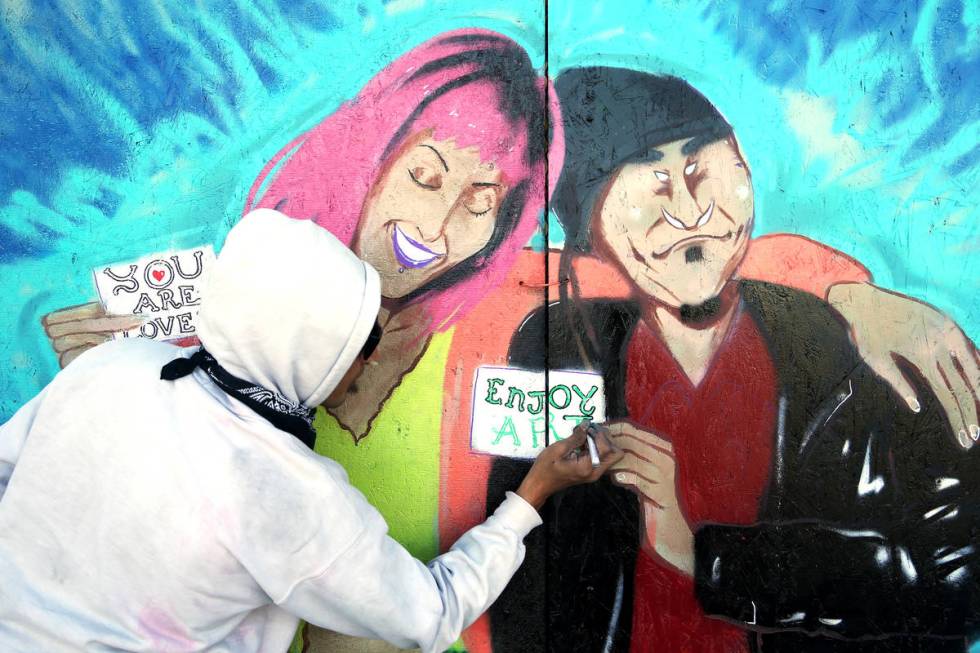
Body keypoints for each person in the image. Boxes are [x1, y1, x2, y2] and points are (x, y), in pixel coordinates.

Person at [488, 67, 980, 652]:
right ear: (592, 231)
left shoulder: (881, 350)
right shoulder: (554, 346)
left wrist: (707, 558)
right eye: (651, 183)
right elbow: (518, 567)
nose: (690, 209)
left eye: (703, 166)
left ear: (744, 170)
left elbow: (957, 583)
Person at [0, 208, 623, 653]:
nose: (372, 357)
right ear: (308, 350)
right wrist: (531, 495)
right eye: (360, 339)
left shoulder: (119, 365)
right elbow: (430, 615)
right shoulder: (285, 494)